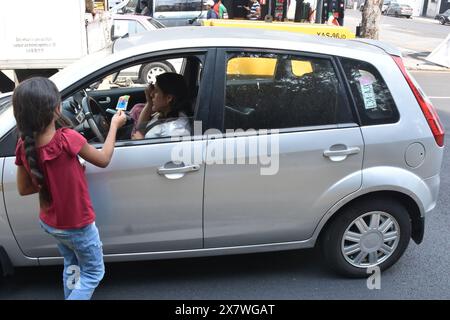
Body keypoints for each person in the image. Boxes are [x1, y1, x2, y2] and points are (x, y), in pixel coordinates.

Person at [13, 77, 127, 300]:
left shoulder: (23, 145)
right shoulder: (67, 139)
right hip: (78, 227)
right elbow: (103, 159)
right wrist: (114, 125)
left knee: (72, 263)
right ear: (57, 109)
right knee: (94, 272)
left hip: (52, 223)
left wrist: (56, 180)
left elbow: (24, 189)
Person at [131, 73, 192, 140]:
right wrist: (149, 102)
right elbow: (140, 128)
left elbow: (163, 150)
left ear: (168, 98)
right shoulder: (164, 113)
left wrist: (141, 142)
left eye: (156, 91)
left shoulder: (175, 130)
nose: (151, 94)